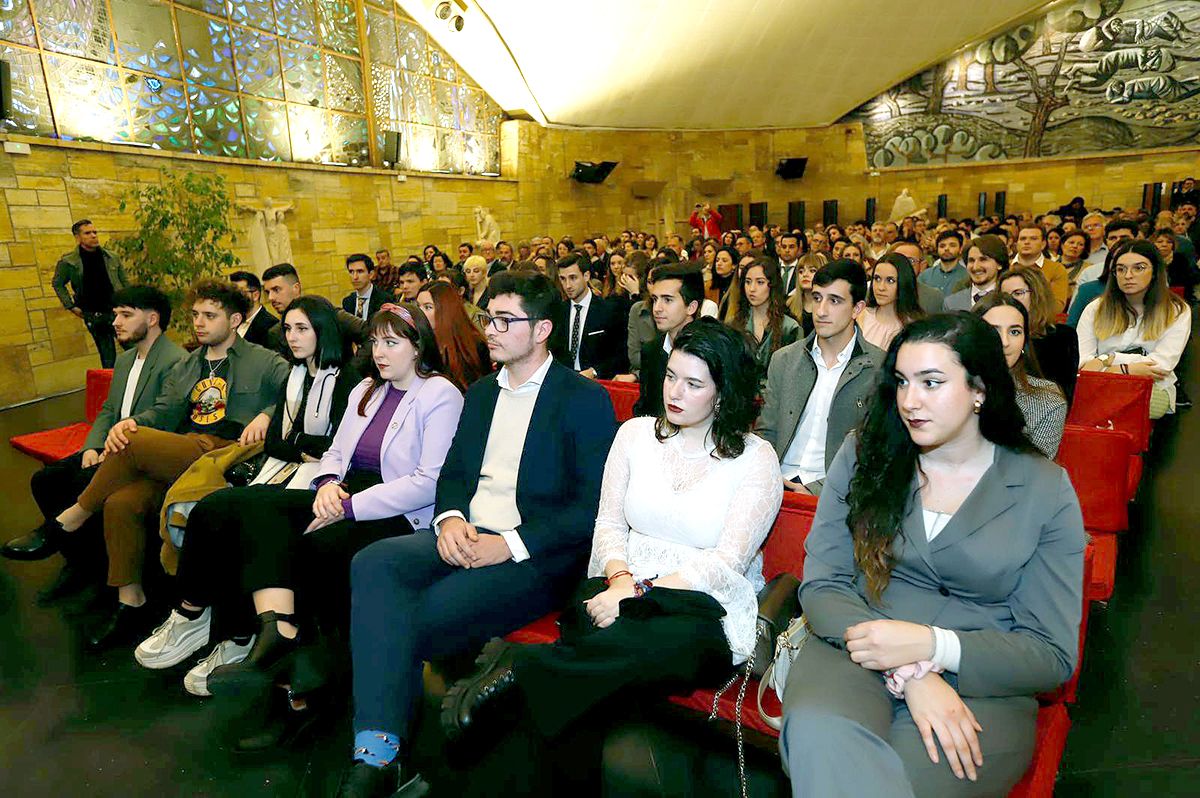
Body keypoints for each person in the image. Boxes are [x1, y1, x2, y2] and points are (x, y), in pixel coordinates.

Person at [436, 318, 781, 795]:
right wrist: (620, 581)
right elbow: (608, 525)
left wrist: (639, 591)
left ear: (723, 394)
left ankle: (523, 669)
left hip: (698, 599)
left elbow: (727, 562)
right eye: (670, 376)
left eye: (693, 383)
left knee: (669, 643)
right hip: (614, 578)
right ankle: (536, 698)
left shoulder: (754, 457)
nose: (674, 392)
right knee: (598, 655)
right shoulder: (636, 435)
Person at [333, 272, 617, 797]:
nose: (491, 329)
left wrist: (506, 544)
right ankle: (380, 752)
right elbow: (456, 475)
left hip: (536, 555)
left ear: (543, 330)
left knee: (412, 618)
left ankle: (382, 753)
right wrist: (450, 520)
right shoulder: (482, 393)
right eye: (489, 317)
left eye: (506, 320)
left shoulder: (583, 399)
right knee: (373, 563)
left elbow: (590, 508)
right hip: (469, 532)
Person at [781, 312, 1085, 798]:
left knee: (890, 786)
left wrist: (932, 648)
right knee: (821, 735)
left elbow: (1050, 653)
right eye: (902, 382)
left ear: (979, 389)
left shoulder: (1043, 489)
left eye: (932, 383)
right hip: (852, 649)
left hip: (980, 684)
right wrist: (909, 671)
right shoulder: (865, 454)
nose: (910, 401)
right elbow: (823, 584)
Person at [132, 296, 358, 703]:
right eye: (288, 329)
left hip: (323, 485)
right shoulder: (295, 374)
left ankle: (234, 635)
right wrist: (299, 445)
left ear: (324, 330)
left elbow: (335, 448)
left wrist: (299, 445)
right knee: (211, 512)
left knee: (238, 519)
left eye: (302, 328)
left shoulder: (347, 377)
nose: (292, 337)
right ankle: (198, 617)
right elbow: (280, 441)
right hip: (284, 471)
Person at [43, 279, 289, 650]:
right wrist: (133, 422)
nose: (199, 323)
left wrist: (269, 414)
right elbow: (163, 413)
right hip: (187, 451)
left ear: (235, 319)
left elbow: (294, 394)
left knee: (134, 440)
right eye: (195, 315)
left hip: (225, 454)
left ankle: (72, 517)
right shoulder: (189, 364)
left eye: (210, 315)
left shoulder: (263, 359)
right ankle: (131, 602)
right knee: (121, 501)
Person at [2, 287, 187, 602]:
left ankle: (95, 564)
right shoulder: (126, 359)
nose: (115, 321)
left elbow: (165, 417)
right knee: (45, 479)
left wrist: (116, 440)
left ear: (153, 319)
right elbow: (108, 410)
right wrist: (92, 445)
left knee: (78, 483)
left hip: (141, 453)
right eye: (116, 314)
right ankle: (80, 563)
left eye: (126, 314)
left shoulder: (177, 361)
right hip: (111, 446)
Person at [758, 260, 883, 496]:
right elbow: (767, 434)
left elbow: (873, 454)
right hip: (776, 484)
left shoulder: (879, 368)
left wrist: (818, 490)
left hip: (834, 493)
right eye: (817, 298)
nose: (822, 310)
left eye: (834, 301)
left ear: (857, 309)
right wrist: (765, 481)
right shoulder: (784, 360)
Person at [1078, 240, 1192, 418]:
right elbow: (1083, 363)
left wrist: (1107, 360)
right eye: (1121, 269)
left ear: (1155, 272)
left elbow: (1161, 365)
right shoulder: (1096, 308)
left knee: (1136, 404)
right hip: (1097, 384)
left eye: (1138, 268)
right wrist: (1128, 368)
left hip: (1151, 386)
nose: (1128, 275)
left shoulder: (1176, 310)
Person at [974, 295, 1068, 458]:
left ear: (1024, 342)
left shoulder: (1047, 402)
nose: (1004, 342)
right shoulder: (945, 390)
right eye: (993, 330)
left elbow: (1030, 477)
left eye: (1015, 332)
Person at [52, 219, 128, 368]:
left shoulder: (111, 257)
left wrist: (130, 304)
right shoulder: (69, 262)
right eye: (88, 233)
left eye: (95, 232)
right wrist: (71, 306)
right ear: (78, 237)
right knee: (108, 358)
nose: (93, 236)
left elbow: (125, 282)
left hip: (118, 311)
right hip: (94, 315)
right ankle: (113, 389)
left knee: (134, 348)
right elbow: (57, 283)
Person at [999, 266, 1079, 403]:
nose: (1009, 301)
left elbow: (1061, 394)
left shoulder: (1062, 337)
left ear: (1036, 295)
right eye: (1004, 295)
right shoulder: (993, 335)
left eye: (1018, 293)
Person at [633, 265, 705, 418]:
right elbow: (645, 406)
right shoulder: (651, 349)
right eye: (655, 299)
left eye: (667, 300)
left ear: (691, 307)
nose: (657, 308)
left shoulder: (711, 352)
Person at [553, 253, 629, 379]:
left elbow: (620, 355)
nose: (567, 285)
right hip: (563, 380)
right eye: (563, 279)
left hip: (596, 382)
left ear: (586, 276)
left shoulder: (609, 310)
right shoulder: (557, 311)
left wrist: (594, 371)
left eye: (573, 278)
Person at [416, 281, 490, 390]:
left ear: (445, 310)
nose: (419, 312)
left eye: (428, 307)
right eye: (418, 306)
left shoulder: (473, 345)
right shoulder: (419, 341)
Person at [732, 257, 800, 375]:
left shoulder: (790, 327)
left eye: (760, 282)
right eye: (748, 282)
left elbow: (794, 373)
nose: (752, 289)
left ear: (772, 285)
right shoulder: (735, 323)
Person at [858, 253, 924, 352]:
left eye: (890, 280)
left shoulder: (914, 327)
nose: (881, 287)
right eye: (877, 278)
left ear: (904, 283)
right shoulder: (860, 315)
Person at [1012, 223, 1070, 310]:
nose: (1027, 242)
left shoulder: (1057, 269)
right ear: (1017, 244)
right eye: (1023, 239)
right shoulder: (1005, 266)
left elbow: (1057, 305)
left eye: (1033, 239)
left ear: (1043, 244)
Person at [945, 235, 1006, 312]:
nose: (975, 267)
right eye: (971, 260)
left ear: (999, 264)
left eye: (983, 259)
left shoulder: (1009, 299)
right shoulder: (951, 303)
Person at [229, 271, 277, 347]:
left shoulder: (271, 326)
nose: (235, 297)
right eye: (232, 293)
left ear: (255, 295)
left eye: (240, 292)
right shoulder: (234, 322)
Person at [342, 254, 395, 322]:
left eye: (360, 271)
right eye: (351, 272)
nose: (355, 277)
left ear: (371, 274)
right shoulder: (347, 302)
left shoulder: (385, 300)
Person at [917, 230, 966, 296]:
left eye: (952, 245)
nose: (946, 249)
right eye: (942, 246)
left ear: (960, 249)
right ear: (937, 249)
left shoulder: (967, 277)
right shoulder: (925, 276)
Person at [1060, 229, 1091, 299]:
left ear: (1084, 249)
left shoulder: (1089, 268)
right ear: (1062, 245)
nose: (1075, 246)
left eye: (1080, 244)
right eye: (1071, 242)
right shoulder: (1050, 266)